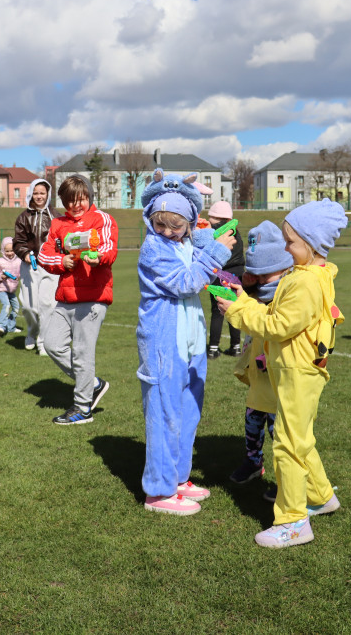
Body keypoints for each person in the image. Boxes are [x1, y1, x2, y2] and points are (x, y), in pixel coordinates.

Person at [219, 198, 346, 548]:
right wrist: (242, 299)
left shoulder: (304, 282)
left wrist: (236, 309)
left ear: (313, 244)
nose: (286, 248)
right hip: (294, 369)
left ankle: (293, 521)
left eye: (291, 242)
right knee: (300, 438)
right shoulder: (303, 275)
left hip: (296, 372)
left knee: (288, 444)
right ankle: (320, 496)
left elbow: (277, 325)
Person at [135, 170, 235, 515]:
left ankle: (178, 479)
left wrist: (209, 232)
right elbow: (186, 282)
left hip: (190, 339)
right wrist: (216, 253)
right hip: (164, 341)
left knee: (188, 410)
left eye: (176, 226)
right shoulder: (153, 249)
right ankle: (158, 492)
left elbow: (204, 244)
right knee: (164, 413)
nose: (167, 232)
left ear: (188, 223)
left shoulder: (186, 239)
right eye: (160, 224)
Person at [38, 174, 119, 425]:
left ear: (89, 198)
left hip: (93, 297)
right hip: (65, 298)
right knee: (52, 345)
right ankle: (92, 384)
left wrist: (98, 258)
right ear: (64, 201)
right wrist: (61, 261)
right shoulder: (57, 225)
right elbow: (44, 254)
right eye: (71, 200)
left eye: (81, 199)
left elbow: (109, 248)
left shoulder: (102, 219)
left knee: (83, 354)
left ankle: (83, 408)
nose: (76, 205)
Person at [227, 221, 293, 493]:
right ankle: (253, 461)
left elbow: (279, 327)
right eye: (258, 274)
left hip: (282, 377)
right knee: (253, 419)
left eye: (268, 274)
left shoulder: (291, 292)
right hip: (259, 372)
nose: (263, 280)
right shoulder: (255, 292)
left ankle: (284, 478)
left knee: (280, 430)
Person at [13, 179, 59, 355]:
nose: (39, 196)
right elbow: (18, 241)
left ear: (48, 194)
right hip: (29, 265)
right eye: (36, 193)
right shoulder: (23, 217)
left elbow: (61, 240)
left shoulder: (56, 216)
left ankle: (43, 343)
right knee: (29, 306)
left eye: (42, 193)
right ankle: (32, 333)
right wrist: (24, 253)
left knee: (47, 305)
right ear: (31, 193)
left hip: (50, 266)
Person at [206, 201, 243, 359]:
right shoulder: (236, 232)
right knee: (233, 309)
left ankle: (213, 348)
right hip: (236, 275)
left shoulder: (214, 233)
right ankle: (235, 346)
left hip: (220, 275)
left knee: (217, 311)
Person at [0, 237, 22, 337]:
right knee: (6, 305)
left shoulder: (19, 261)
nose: (10, 253)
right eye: (7, 251)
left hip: (11, 289)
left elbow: (21, 273)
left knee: (16, 307)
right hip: (1, 288)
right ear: (3, 251)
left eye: (12, 250)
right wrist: (1, 276)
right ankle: (0, 326)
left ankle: (11, 327)